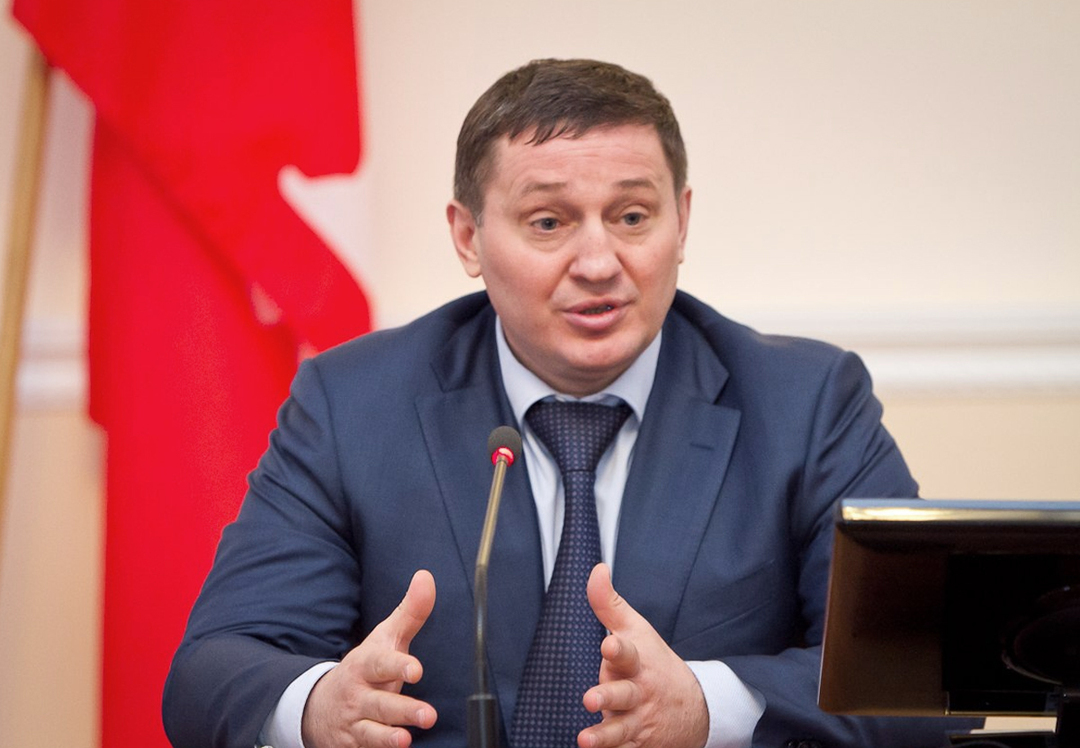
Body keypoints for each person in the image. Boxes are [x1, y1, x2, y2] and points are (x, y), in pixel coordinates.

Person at [163, 58, 980, 748]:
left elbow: (926, 674)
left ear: (682, 220)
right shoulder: (353, 405)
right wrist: (317, 707)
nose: (599, 261)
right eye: (549, 221)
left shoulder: (808, 404)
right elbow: (212, 670)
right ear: (468, 237)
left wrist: (710, 708)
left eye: (632, 216)